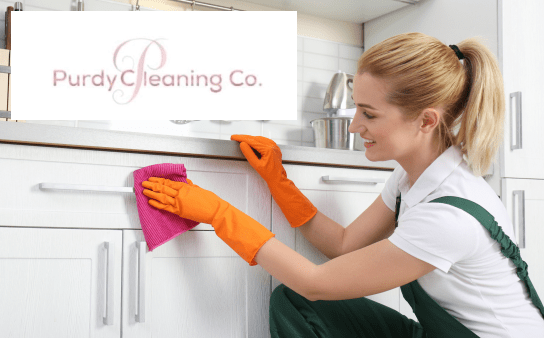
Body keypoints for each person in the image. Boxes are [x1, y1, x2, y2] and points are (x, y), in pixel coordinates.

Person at [141, 32, 544, 337]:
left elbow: (316, 283)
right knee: (294, 304)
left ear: (426, 120)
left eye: (369, 114)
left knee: (306, 293)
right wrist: (279, 182)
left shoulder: (448, 216)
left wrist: (220, 213)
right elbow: (345, 243)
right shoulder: (414, 175)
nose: (355, 127)